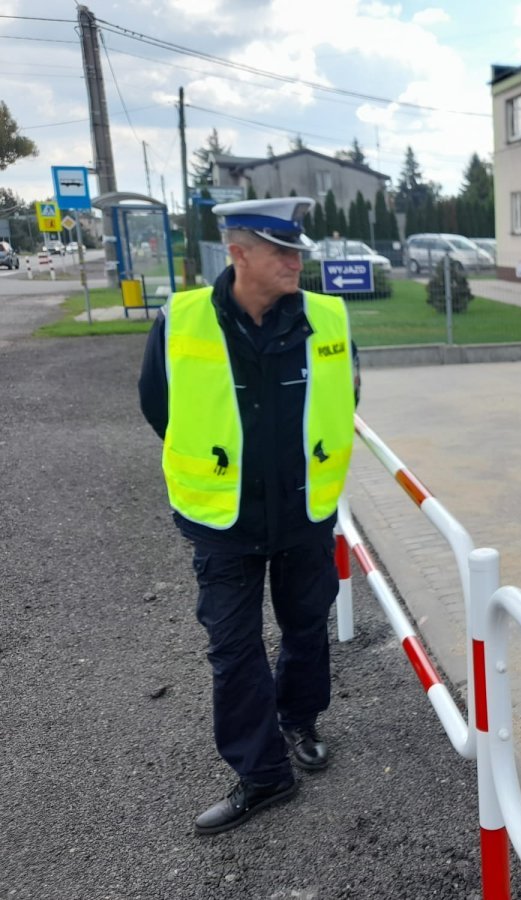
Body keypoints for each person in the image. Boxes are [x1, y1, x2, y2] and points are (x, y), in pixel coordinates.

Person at [138, 197, 359, 834]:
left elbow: (346, 396)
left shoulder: (326, 319)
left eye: (298, 251)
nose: (296, 262)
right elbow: (160, 406)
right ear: (238, 253)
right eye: (281, 251)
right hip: (223, 522)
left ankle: (300, 722)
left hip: (302, 515)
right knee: (233, 650)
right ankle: (262, 775)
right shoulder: (182, 321)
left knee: (305, 629)